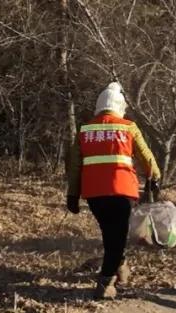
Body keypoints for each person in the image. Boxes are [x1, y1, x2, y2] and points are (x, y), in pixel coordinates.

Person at [66, 82, 161, 300]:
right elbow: (146, 155)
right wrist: (154, 177)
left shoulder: (85, 129)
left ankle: (120, 268)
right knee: (116, 238)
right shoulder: (128, 127)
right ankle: (106, 282)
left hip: (94, 194)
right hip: (123, 191)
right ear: (120, 106)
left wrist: (72, 194)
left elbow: (74, 165)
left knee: (111, 234)